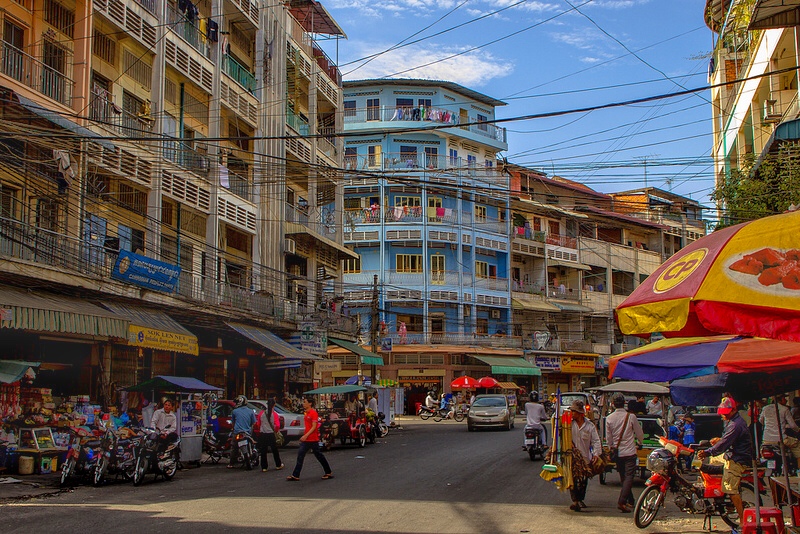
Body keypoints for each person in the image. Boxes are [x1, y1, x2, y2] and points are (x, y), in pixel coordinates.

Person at [696, 396, 753, 521]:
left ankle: (743, 521)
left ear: (733, 410)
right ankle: (715, 489)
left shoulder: (735, 425)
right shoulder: (732, 421)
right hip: (731, 453)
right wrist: (719, 440)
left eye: (725, 414)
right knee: (711, 462)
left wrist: (707, 452)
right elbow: (728, 440)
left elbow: (723, 446)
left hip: (737, 459)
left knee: (730, 490)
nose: (723, 416)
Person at [605, 393, 644, 513]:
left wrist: (611, 448)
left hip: (617, 453)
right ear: (624, 404)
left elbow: (609, 439)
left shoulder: (609, 418)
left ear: (612, 404)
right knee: (629, 477)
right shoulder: (631, 417)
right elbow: (639, 433)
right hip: (630, 451)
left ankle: (630, 500)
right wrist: (640, 442)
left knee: (623, 477)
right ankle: (622, 502)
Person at [286, 396, 333, 481]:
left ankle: (328, 472)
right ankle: (295, 475)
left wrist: (306, 435)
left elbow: (314, 426)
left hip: (313, 439)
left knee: (319, 456)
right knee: (300, 455)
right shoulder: (306, 413)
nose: (303, 404)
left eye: (305, 402)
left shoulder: (313, 413)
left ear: (310, 403)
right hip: (307, 439)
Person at [569, 399, 602, 512]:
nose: (572, 413)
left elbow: (596, 441)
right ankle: (575, 501)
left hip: (585, 457)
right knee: (572, 480)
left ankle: (579, 499)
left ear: (580, 413)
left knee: (583, 480)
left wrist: (596, 454)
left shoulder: (589, 426)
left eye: (574, 411)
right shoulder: (568, 424)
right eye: (571, 411)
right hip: (572, 458)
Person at [759, 394, 800, 460]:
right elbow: (793, 426)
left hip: (766, 440)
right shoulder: (784, 409)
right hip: (781, 439)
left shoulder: (765, 408)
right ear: (780, 399)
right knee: (797, 444)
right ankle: (799, 467)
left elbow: (761, 421)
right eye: (784, 398)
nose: (786, 400)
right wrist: (798, 430)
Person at [255, 398, 284, 472]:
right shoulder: (274, 414)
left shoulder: (261, 413)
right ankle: (278, 464)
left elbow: (258, 424)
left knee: (263, 450)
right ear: (274, 405)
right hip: (271, 434)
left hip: (263, 434)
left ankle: (264, 467)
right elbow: (277, 425)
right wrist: (276, 431)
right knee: (274, 450)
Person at [228, 395, 256, 468]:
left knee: (234, 447)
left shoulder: (234, 411)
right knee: (253, 444)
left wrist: (233, 429)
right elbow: (253, 423)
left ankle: (231, 463)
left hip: (237, 432)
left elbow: (233, 423)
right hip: (247, 432)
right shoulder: (250, 411)